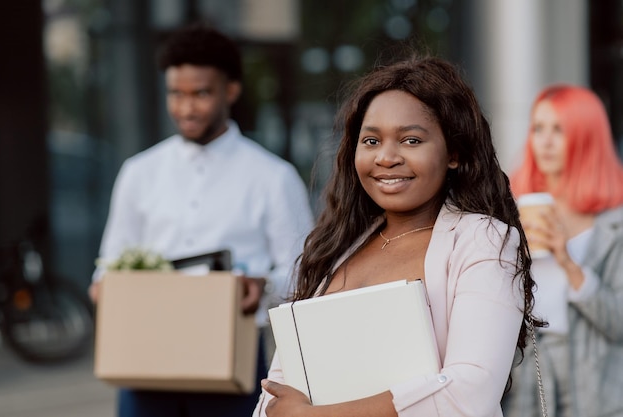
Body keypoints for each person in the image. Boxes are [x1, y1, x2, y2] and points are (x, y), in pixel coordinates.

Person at [252, 54, 543, 417]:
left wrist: (316, 415)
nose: (386, 157)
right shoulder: (337, 247)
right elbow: (279, 390)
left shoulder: (483, 239)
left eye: (410, 140)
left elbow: (469, 393)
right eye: (371, 141)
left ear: (453, 153)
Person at [89, 23, 314, 417]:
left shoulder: (273, 177)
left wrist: (260, 284)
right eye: (176, 94)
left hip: (232, 363)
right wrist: (104, 290)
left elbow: (306, 276)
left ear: (230, 90)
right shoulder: (138, 173)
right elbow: (108, 266)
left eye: (201, 94)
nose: (186, 108)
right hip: (145, 363)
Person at [502, 85, 623, 417]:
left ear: (587, 137)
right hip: (528, 370)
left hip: (595, 378)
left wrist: (567, 261)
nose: (546, 141)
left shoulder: (613, 224)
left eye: (560, 130)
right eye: (538, 128)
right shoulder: (511, 210)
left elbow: (618, 322)